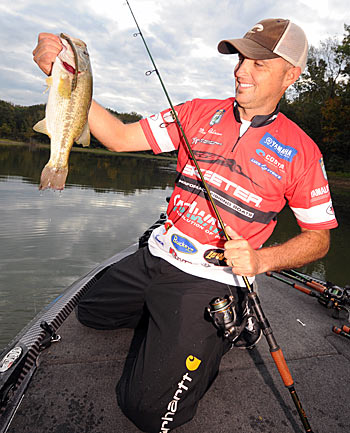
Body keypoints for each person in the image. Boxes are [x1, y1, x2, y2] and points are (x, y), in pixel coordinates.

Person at [33, 18, 338, 433]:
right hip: (159, 253)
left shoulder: (303, 151)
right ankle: (170, 320)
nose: (241, 71)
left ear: (292, 74)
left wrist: (261, 260)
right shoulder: (197, 112)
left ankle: (229, 324)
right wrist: (61, 76)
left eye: (259, 64)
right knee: (90, 312)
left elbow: (319, 239)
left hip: (210, 278)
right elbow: (120, 137)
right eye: (241, 59)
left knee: (148, 411)